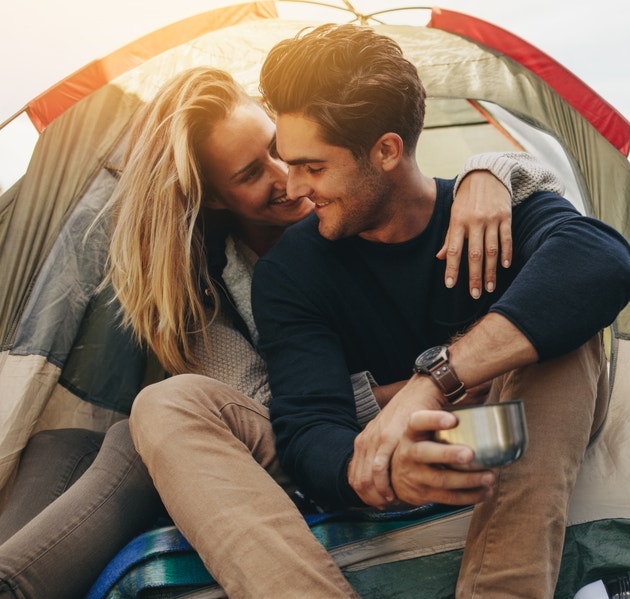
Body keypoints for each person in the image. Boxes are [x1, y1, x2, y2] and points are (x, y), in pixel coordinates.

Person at [0, 65, 558, 598]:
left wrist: (489, 170)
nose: (287, 179)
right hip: (313, 440)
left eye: (278, 147)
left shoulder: (359, 203)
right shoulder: (209, 287)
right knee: (65, 443)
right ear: (216, 196)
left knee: (134, 435)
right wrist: (432, 380)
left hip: (411, 426)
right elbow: (284, 414)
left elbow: (556, 239)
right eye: (250, 173)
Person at [245, 23, 630, 598]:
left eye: (313, 166)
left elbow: (605, 264)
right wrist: (379, 471)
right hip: (409, 451)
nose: (295, 187)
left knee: (569, 329)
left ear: (385, 151)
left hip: (529, 425)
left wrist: (431, 383)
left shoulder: (484, 211)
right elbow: (308, 427)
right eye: (289, 162)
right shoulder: (291, 270)